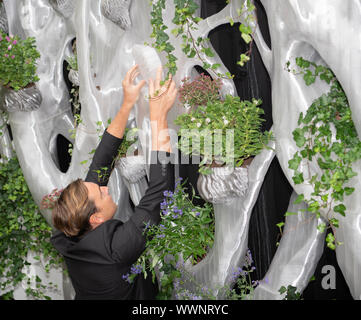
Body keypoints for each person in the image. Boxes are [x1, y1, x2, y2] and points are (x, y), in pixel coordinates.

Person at [51, 65, 177, 300]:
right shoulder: (113, 251)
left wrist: (127, 103)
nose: (104, 186)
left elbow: (100, 164)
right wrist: (158, 116)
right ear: (95, 218)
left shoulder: (69, 233)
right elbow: (160, 194)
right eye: (101, 193)